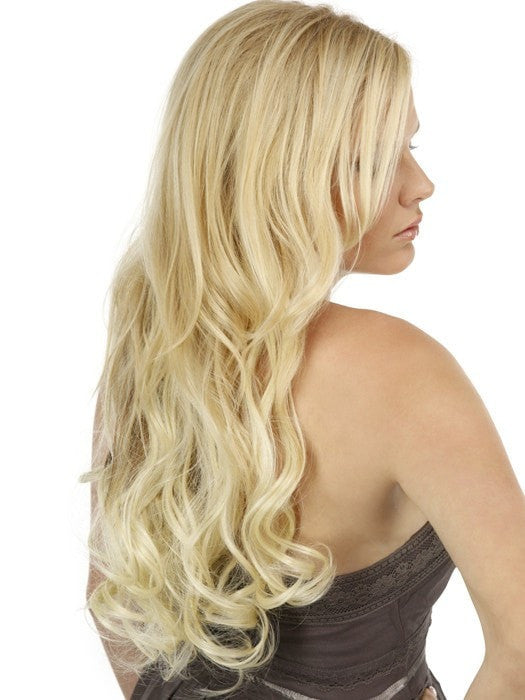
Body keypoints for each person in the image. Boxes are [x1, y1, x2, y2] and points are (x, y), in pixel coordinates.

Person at [81, 1, 525, 698]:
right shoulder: (399, 370)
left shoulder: (156, 340)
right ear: (280, 172)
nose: (420, 185)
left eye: (411, 147)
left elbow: (113, 602)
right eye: (375, 158)